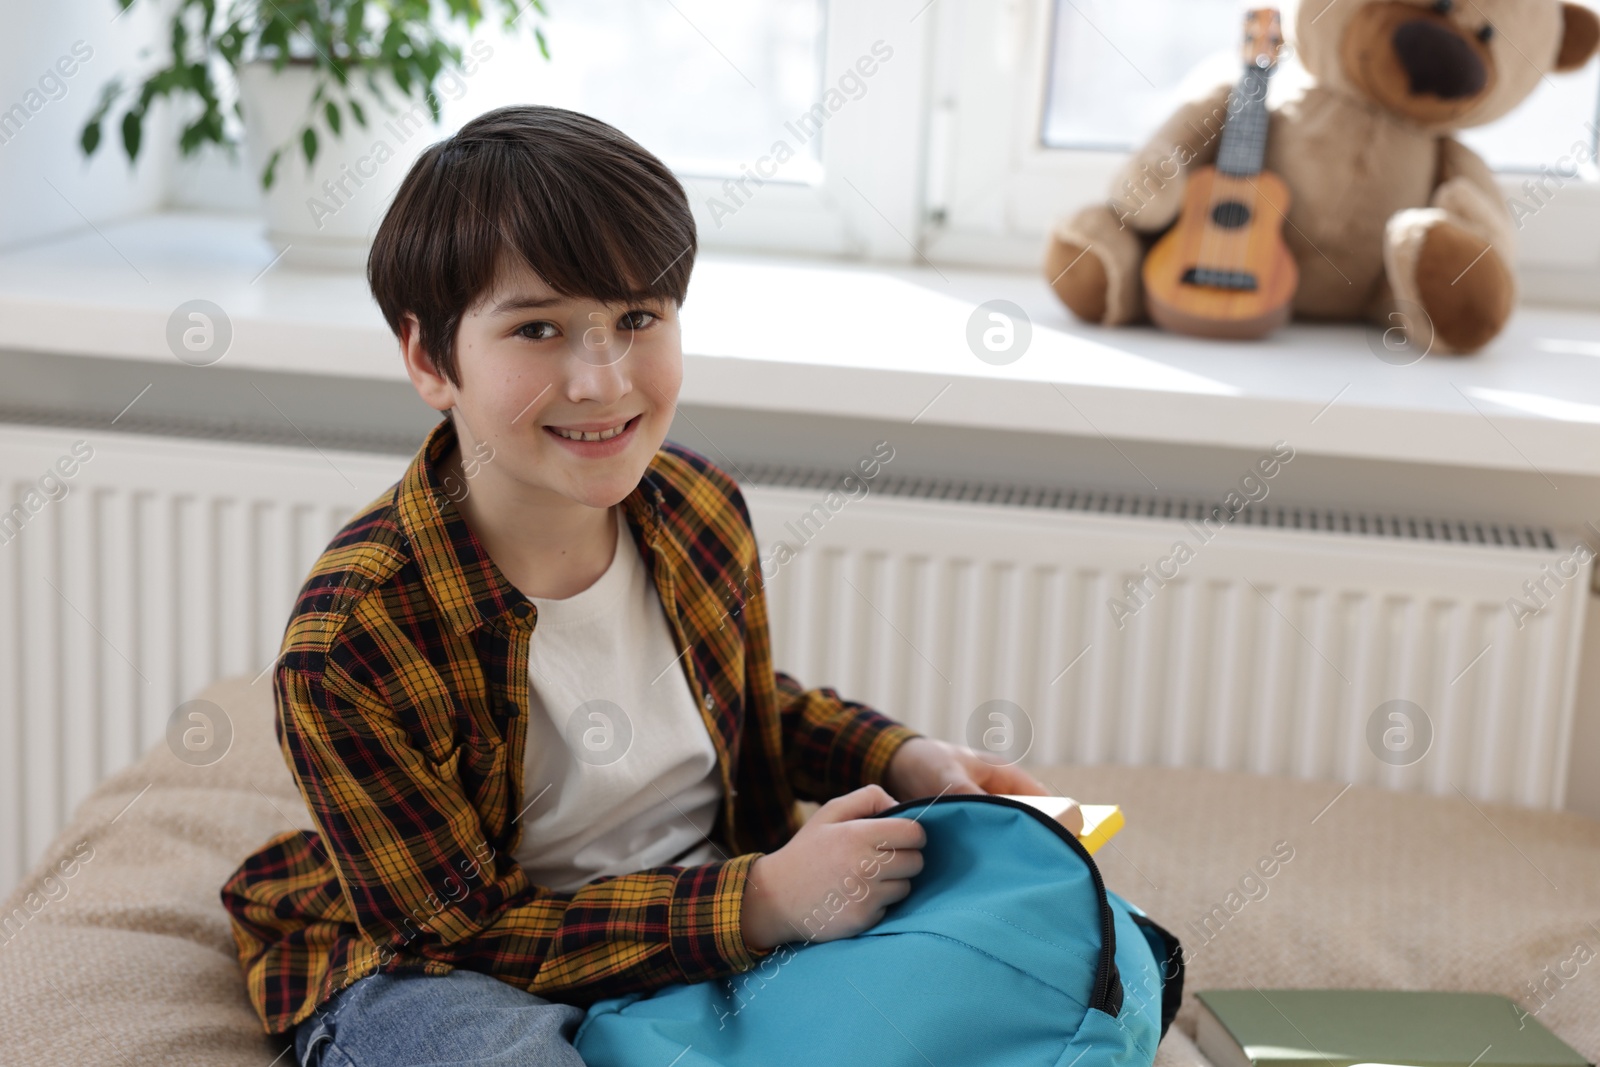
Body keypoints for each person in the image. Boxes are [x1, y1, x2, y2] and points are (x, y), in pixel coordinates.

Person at [220, 104, 1072, 1067]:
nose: (602, 379)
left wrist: (907, 757)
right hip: (460, 961)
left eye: (637, 318)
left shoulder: (698, 507)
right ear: (429, 359)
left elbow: (743, 711)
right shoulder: (354, 637)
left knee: (994, 971)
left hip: (701, 905)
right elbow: (452, 933)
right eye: (538, 328)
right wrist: (761, 902)